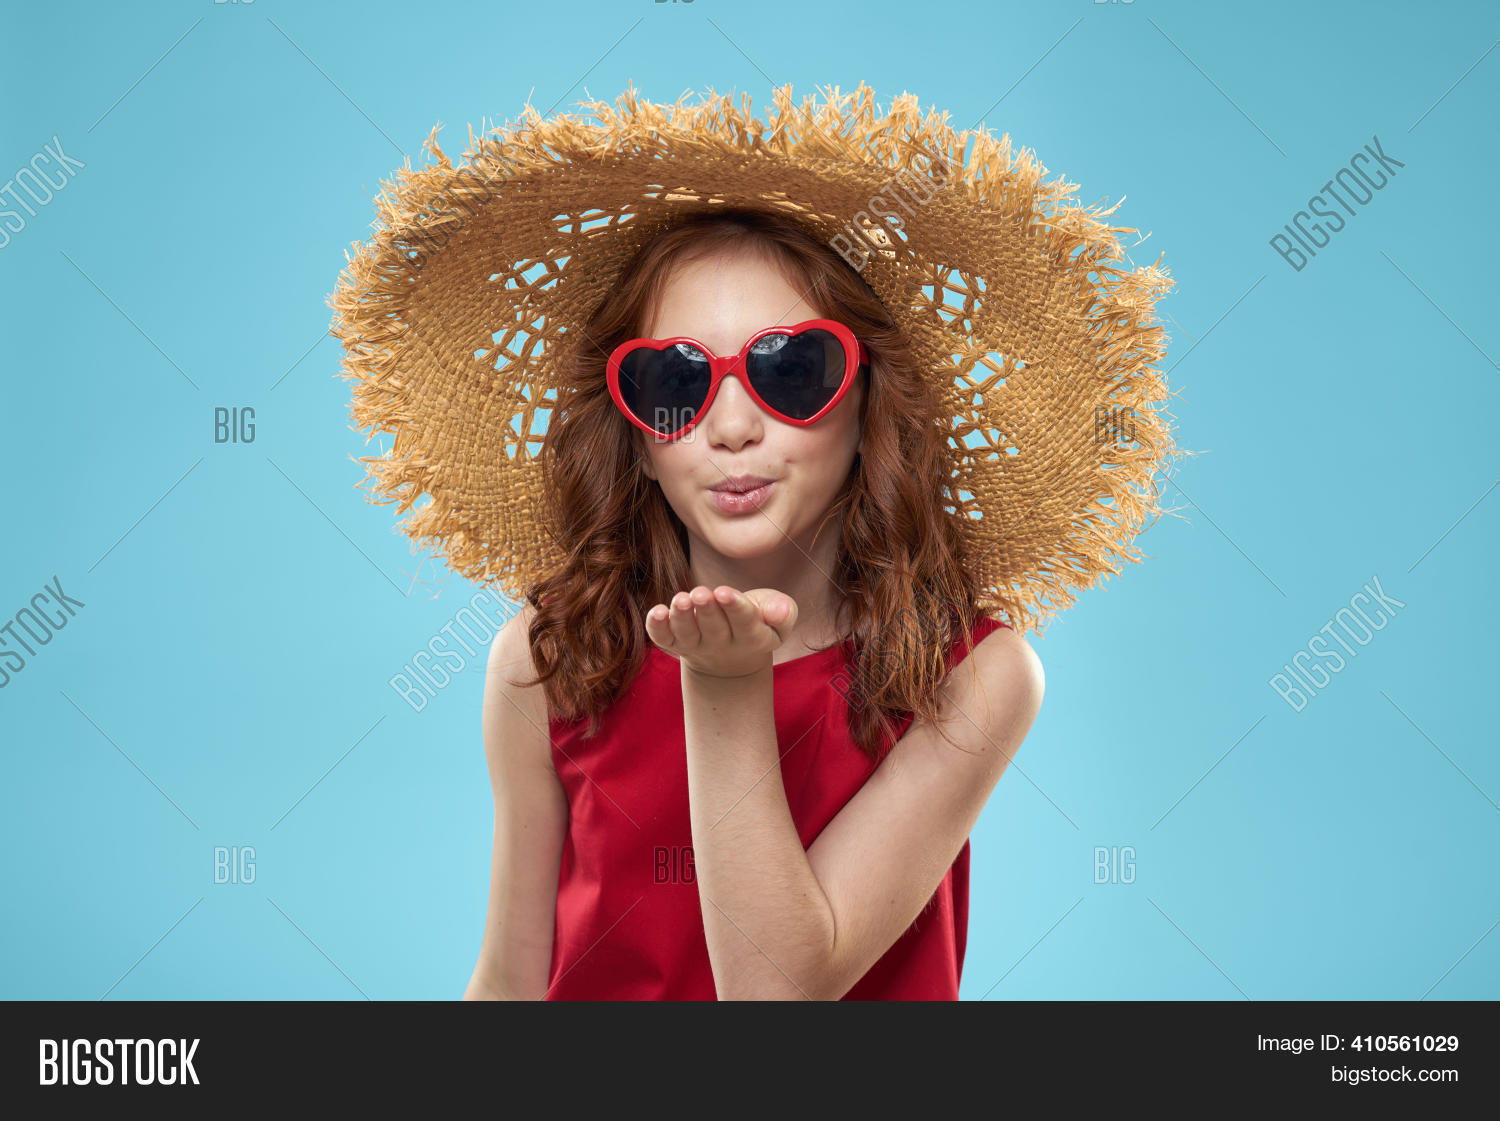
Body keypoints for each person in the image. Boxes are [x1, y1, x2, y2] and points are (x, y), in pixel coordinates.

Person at [326, 82, 1177, 1000]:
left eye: (790, 370)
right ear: (641, 445)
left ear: (864, 405)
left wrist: (726, 685)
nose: (730, 426)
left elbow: (778, 990)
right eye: (673, 384)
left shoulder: (974, 676)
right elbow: (507, 981)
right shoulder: (543, 663)